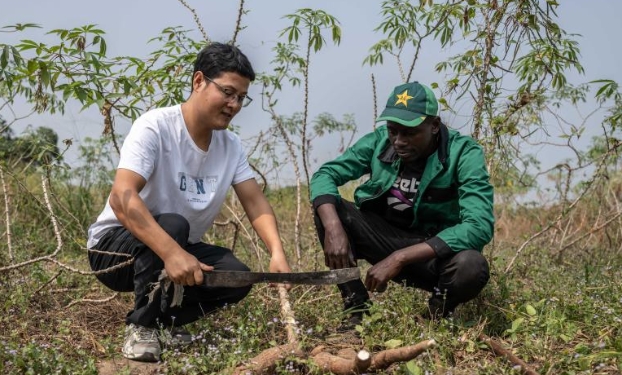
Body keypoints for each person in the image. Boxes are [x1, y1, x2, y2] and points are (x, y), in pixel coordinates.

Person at [87, 42, 291, 362]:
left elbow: (255, 202)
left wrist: (277, 253)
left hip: (175, 245)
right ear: (198, 82)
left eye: (241, 97)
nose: (234, 104)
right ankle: (142, 328)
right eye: (227, 92)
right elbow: (121, 197)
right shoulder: (155, 127)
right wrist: (171, 252)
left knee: (236, 275)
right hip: (113, 250)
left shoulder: (230, 146)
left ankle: (165, 322)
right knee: (172, 224)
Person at [310, 81, 493, 327]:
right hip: (385, 239)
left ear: (435, 126)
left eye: (409, 132)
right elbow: (325, 175)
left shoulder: (464, 153)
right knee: (330, 209)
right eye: (393, 130)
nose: (398, 141)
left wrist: (400, 258)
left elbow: (479, 225)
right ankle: (356, 308)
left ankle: (435, 318)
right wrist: (333, 227)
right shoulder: (378, 142)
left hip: (431, 254)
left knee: (471, 265)